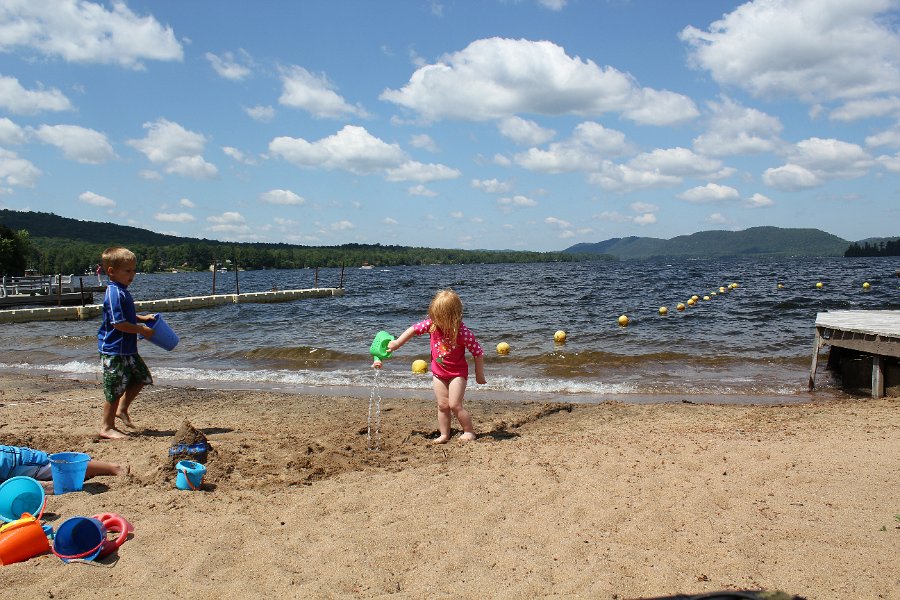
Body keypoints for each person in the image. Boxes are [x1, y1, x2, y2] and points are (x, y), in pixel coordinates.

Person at [384, 289, 486, 443]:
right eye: (434, 317)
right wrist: (397, 343)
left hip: (457, 374)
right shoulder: (432, 325)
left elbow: (478, 353)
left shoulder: (463, 333)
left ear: (453, 317)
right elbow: (413, 330)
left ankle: (469, 431)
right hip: (438, 373)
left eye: (440, 318)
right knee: (442, 405)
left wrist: (479, 375)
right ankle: (444, 434)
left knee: (455, 404)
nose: (435, 321)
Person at [97, 247, 156, 440]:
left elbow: (126, 316)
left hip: (127, 349)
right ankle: (106, 427)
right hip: (114, 350)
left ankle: (121, 409)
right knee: (115, 388)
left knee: (142, 378)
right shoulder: (114, 293)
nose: (132, 275)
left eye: (134, 270)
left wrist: (142, 318)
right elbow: (118, 323)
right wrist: (141, 329)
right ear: (111, 271)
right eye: (127, 271)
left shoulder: (122, 291)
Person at [0, 445, 126, 494]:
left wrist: (47, 487)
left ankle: (114, 468)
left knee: (59, 466)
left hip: (17, 461)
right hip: (11, 464)